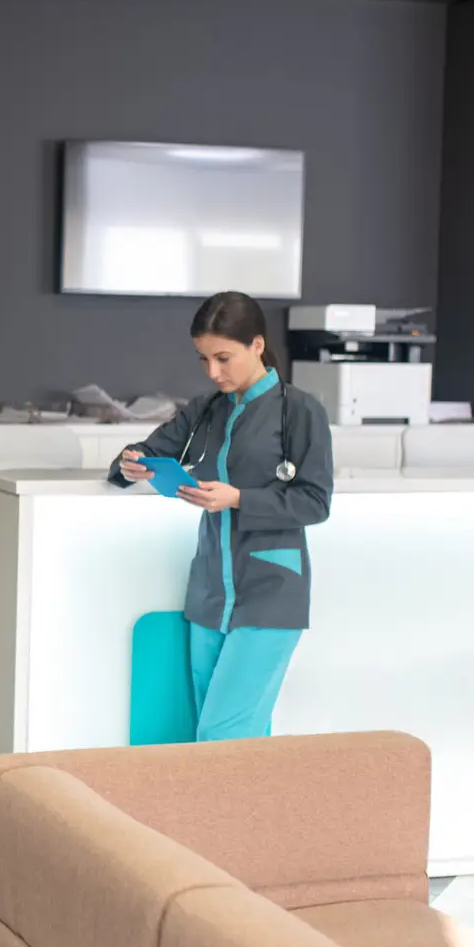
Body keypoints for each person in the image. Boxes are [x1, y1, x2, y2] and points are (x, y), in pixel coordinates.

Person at [112, 291, 333, 742]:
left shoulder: (300, 411)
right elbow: (148, 452)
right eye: (203, 360)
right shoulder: (205, 411)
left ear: (257, 344)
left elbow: (314, 501)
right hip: (211, 595)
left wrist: (238, 499)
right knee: (224, 741)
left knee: (221, 738)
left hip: (271, 593)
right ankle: (251, 814)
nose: (213, 372)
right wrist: (130, 463)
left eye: (223, 357)